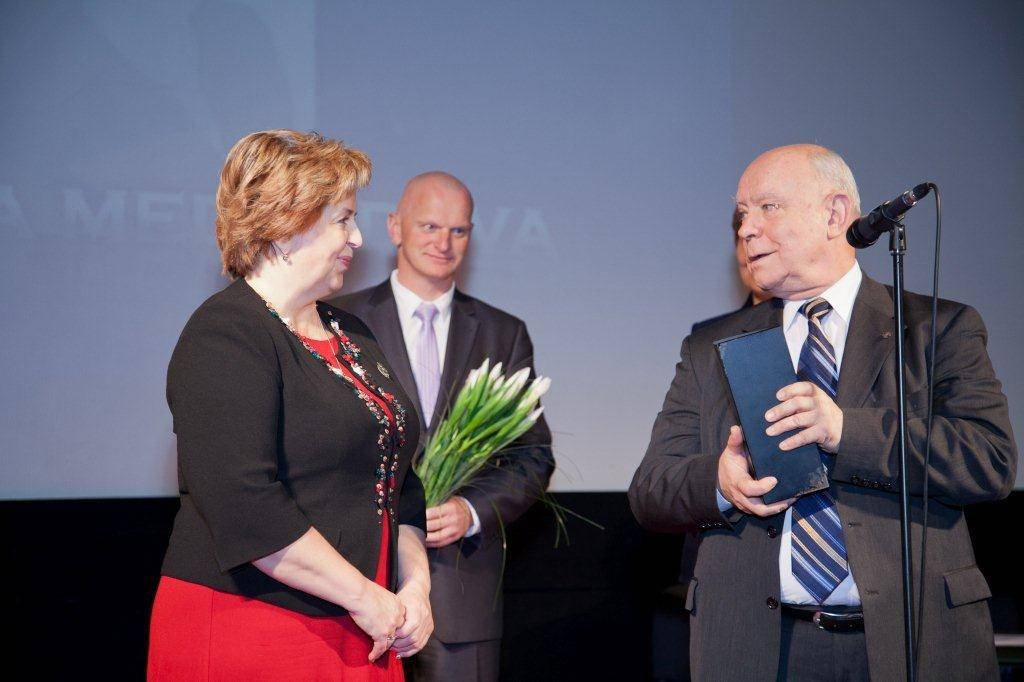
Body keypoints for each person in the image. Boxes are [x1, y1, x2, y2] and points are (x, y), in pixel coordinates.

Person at [629, 144, 1017, 681]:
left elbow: (989, 463)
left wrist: (844, 430)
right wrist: (719, 481)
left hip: (911, 641)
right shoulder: (710, 347)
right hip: (759, 648)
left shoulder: (936, 329)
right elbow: (651, 490)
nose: (746, 229)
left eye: (767, 208)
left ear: (835, 215)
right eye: (742, 215)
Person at [148, 130, 433, 680]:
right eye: (343, 219)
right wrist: (368, 599)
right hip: (254, 630)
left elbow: (402, 484)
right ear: (287, 223)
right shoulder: (225, 335)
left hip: (367, 628)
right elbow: (246, 505)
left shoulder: (350, 332)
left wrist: (414, 589)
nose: (357, 238)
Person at [334, 171, 554, 682]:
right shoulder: (340, 321)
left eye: (459, 231)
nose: (443, 242)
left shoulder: (504, 332)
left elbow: (533, 456)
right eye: (430, 225)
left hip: (462, 593)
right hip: (358, 589)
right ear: (394, 227)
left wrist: (471, 510)